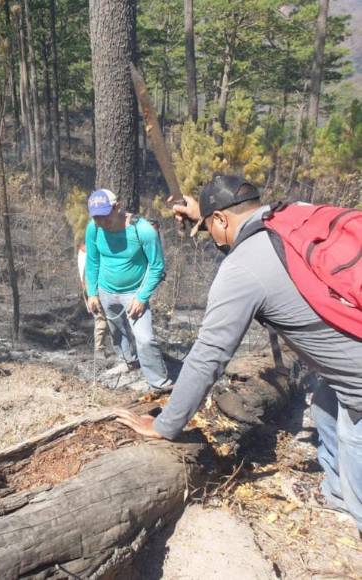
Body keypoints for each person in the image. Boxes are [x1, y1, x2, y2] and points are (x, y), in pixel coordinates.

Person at [113, 174, 362, 535]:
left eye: (210, 226)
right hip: (347, 367)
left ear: (221, 219)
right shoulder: (292, 216)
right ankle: (338, 499)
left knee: (352, 434)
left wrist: (166, 424)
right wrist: (204, 214)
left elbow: (207, 357)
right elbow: (236, 223)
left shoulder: (242, 268)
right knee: (325, 404)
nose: (212, 237)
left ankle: (353, 514)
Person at [84, 188, 172, 394]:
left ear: (117, 207)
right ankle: (129, 361)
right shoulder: (93, 228)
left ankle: (160, 384)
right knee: (117, 330)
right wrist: (93, 293)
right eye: (96, 217)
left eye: (105, 215)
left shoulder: (142, 230)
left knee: (145, 338)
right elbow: (92, 260)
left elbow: (157, 266)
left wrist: (142, 297)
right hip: (106, 290)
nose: (100, 221)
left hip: (134, 292)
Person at [77, 240, 108, 353]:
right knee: (102, 319)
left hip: (93, 288)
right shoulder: (88, 255)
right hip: (93, 289)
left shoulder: (85, 254)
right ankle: (100, 350)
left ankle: (102, 349)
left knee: (104, 319)